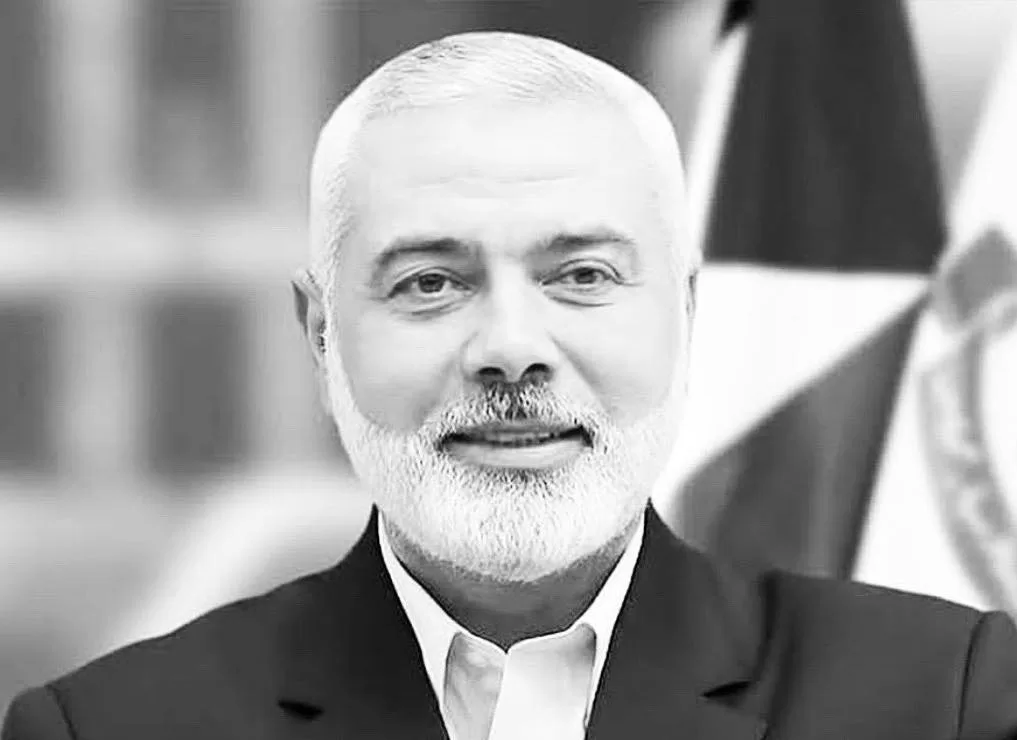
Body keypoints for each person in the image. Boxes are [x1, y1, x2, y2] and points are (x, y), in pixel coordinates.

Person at [4, 30, 1017, 740]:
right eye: (430, 283)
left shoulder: (943, 699)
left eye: (581, 275)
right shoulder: (111, 727)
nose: (511, 347)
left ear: (686, 311)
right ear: (320, 336)